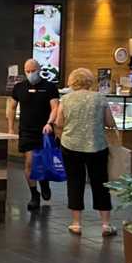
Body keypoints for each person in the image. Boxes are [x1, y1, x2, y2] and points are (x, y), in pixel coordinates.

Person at [55, 68, 118, 237]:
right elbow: (110, 122)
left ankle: (76, 224)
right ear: (90, 81)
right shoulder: (100, 98)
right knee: (101, 183)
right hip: (96, 146)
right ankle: (106, 224)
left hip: (71, 146)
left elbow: (59, 122)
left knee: (75, 182)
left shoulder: (66, 99)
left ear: (72, 81)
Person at [7, 59, 60, 210]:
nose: (31, 74)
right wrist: (10, 127)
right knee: (30, 162)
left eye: (33, 70)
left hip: (44, 131)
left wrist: (50, 123)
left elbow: (55, 107)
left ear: (39, 69)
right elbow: (11, 107)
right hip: (26, 130)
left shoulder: (49, 87)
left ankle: (44, 182)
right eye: (27, 71)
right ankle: (34, 194)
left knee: (43, 161)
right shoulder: (19, 87)